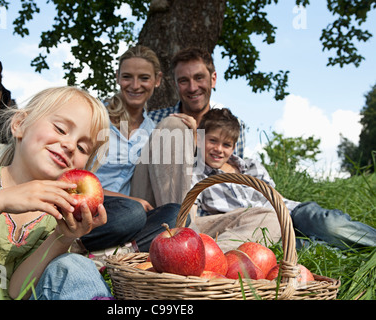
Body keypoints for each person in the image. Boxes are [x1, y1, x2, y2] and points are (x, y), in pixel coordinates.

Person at [0, 86, 114, 300]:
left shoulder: (57, 213)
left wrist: (61, 238)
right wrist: (0, 201)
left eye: (82, 148)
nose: (70, 145)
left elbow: (18, 292)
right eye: (61, 129)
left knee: (73, 265)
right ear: (20, 124)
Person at [191, 108, 376, 251]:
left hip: (290, 212)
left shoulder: (251, 166)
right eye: (213, 141)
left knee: (330, 226)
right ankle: (354, 255)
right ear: (200, 140)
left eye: (226, 144)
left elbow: (274, 196)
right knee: (312, 249)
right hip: (260, 229)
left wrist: (285, 219)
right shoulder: (196, 175)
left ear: (233, 147)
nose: (219, 149)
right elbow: (196, 217)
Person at [91, 45, 184, 253]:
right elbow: (74, 181)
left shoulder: (153, 131)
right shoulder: (97, 118)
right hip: (92, 208)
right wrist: (129, 200)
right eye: (127, 77)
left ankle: (113, 254)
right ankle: (80, 245)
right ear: (117, 77)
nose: (135, 85)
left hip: (127, 216)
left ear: (157, 80)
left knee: (174, 214)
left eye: (144, 78)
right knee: (132, 214)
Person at [130, 47, 246, 208]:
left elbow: (230, 178)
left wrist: (197, 142)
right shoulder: (154, 120)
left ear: (213, 79)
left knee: (264, 219)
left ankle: (188, 226)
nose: (192, 88)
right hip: (153, 207)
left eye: (199, 78)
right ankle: (177, 226)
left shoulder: (232, 127)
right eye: (184, 80)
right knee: (174, 126)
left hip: (206, 208)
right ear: (175, 84)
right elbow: (145, 173)